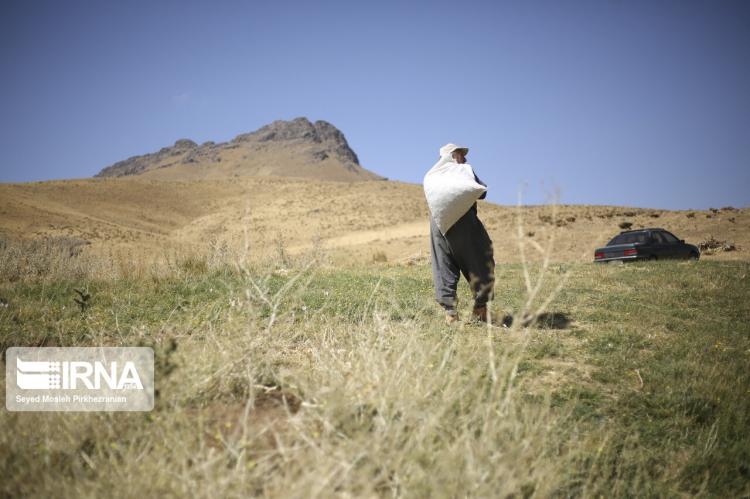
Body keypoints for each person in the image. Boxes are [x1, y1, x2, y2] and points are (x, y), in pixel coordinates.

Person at [427, 144, 495, 324]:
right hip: (463, 221)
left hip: (438, 224)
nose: (464, 159)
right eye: (460, 154)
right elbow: (482, 192)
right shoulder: (463, 170)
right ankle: (480, 309)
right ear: (452, 156)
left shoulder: (433, 175)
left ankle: (450, 314)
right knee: (480, 256)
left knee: (443, 263)